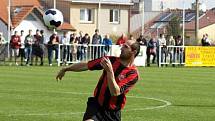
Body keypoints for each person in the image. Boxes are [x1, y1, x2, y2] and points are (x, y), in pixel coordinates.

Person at [56, 40, 140, 121]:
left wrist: (109, 71)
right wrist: (66, 69)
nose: (121, 48)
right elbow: (86, 65)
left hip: (112, 113)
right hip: (96, 105)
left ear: (134, 52)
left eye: (125, 47)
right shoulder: (110, 60)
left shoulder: (133, 74)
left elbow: (115, 92)